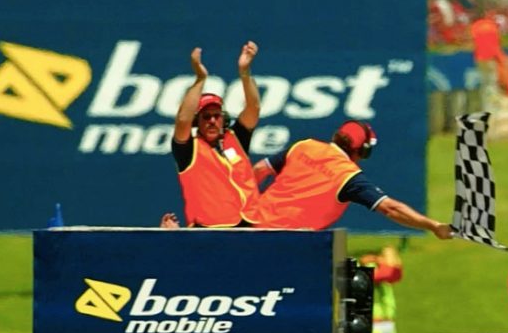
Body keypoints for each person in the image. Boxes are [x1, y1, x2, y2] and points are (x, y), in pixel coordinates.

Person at [252, 120, 452, 238]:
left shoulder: (304, 146)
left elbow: (260, 169)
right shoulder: (347, 175)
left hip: (253, 226)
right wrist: (433, 226)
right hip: (290, 241)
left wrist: (248, 205)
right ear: (362, 150)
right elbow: (391, 208)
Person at [172, 43, 261, 228]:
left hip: (250, 227)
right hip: (211, 232)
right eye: (206, 116)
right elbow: (182, 120)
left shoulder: (235, 138)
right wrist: (200, 79)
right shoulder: (189, 150)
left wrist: (245, 72)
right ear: (198, 122)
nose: (212, 120)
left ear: (223, 119)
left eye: (216, 116)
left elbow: (254, 108)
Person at [361, 245, 404, 333]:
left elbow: (386, 274)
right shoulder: (385, 273)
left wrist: (374, 260)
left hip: (384, 323)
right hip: (374, 324)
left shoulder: (390, 273)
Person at [470, 9, 506, 112]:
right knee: (491, 83)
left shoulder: (476, 26)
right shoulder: (493, 27)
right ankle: (490, 109)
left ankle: (484, 107)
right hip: (491, 59)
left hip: (480, 59)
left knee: (484, 83)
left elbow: (473, 41)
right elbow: (497, 44)